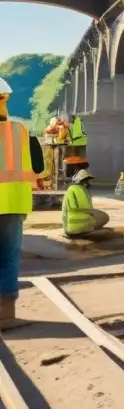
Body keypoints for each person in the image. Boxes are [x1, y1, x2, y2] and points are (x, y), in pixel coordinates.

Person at [0, 76, 44, 330]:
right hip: (12, 205)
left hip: (13, 205)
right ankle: (5, 316)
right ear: (5, 99)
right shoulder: (21, 132)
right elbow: (38, 167)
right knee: (7, 259)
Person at [62, 169, 110, 238]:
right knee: (105, 216)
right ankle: (86, 228)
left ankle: (81, 228)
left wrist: (66, 229)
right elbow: (89, 210)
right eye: (87, 180)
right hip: (85, 228)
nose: (88, 183)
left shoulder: (70, 189)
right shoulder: (84, 190)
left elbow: (64, 212)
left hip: (70, 230)